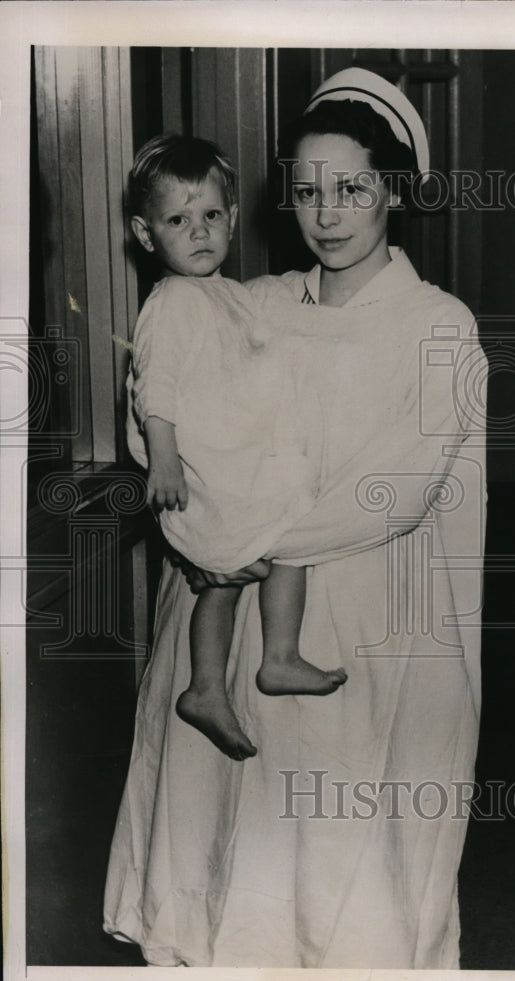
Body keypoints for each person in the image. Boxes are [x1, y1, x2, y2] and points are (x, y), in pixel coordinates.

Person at [104, 68, 487, 969]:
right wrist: (204, 526)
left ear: (392, 191)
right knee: (230, 847)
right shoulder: (253, 303)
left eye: (351, 189)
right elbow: (153, 405)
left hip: (361, 634)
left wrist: (240, 535)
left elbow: (399, 488)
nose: (327, 213)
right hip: (229, 614)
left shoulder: (439, 326)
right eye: (308, 192)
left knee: (343, 862)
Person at [125, 134, 347, 761]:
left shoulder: (226, 291)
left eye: (211, 216)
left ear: (232, 218)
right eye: (177, 220)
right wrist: (163, 458)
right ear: (146, 235)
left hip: (238, 460)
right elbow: (155, 389)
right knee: (243, 561)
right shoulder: (170, 302)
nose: (198, 233)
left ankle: (258, 665)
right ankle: (216, 683)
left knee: (270, 551)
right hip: (203, 471)